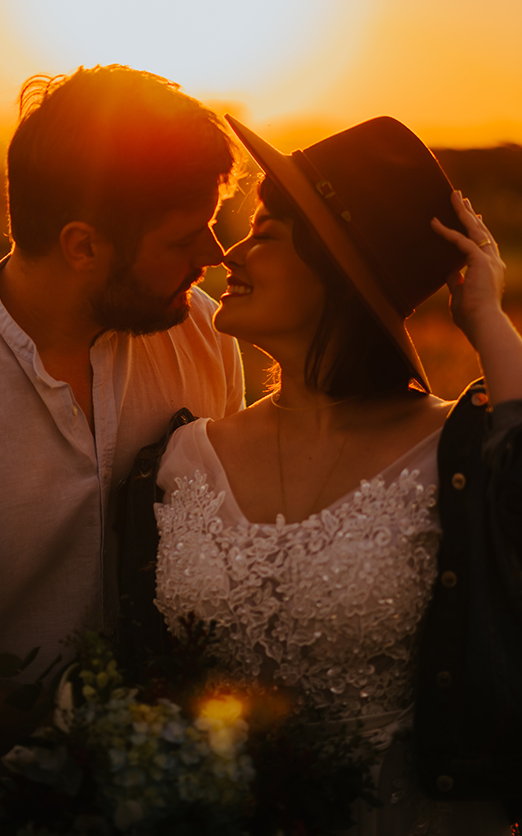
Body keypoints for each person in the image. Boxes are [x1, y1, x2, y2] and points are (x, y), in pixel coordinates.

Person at [0, 65, 244, 835]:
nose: (213, 253)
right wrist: (72, 729)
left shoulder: (202, 334)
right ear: (81, 246)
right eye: (182, 236)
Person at [147, 115, 522, 834]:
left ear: (340, 274)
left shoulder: (458, 457)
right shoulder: (178, 459)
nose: (230, 252)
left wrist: (486, 316)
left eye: (266, 234)